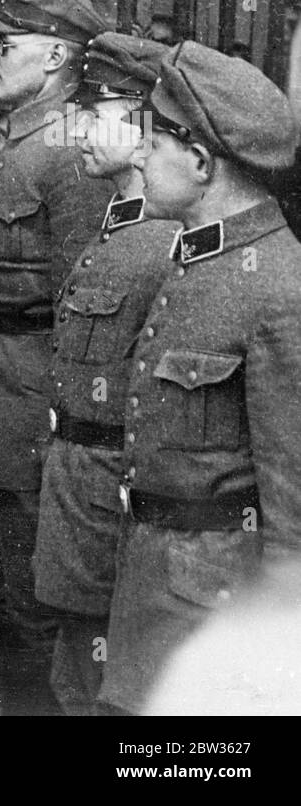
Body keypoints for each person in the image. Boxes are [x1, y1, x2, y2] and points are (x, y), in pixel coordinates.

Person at [100, 41, 301, 714]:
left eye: (151, 142)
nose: (137, 156)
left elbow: (294, 502)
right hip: (157, 580)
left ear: (201, 161)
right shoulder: (198, 260)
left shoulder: (278, 286)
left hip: (216, 609)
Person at [0, 0, 113, 713]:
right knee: (3, 568)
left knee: (35, 582)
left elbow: (86, 302)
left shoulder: (74, 155)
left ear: (54, 58)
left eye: (4, 44)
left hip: (36, 389)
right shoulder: (17, 136)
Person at [29, 32, 177, 715]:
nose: (79, 129)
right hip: (79, 489)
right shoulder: (118, 223)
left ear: (148, 122)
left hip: (112, 497)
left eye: (99, 112)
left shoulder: (163, 241)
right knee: (77, 673)